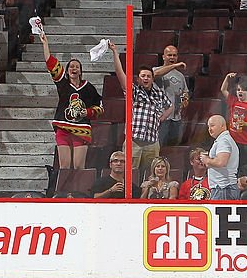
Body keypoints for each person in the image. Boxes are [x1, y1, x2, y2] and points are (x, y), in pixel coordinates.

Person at [40, 31, 103, 171]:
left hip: (81, 129)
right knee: (65, 167)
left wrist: (86, 112)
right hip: (63, 128)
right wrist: (45, 44)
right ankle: (63, 193)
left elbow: (100, 107)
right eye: (71, 66)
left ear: (80, 71)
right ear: (67, 71)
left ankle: (78, 192)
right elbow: (51, 64)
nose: (74, 68)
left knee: (79, 166)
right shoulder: (63, 83)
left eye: (77, 67)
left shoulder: (88, 87)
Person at [110, 41, 172, 181]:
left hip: (152, 142)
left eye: (148, 76)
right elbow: (120, 75)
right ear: (138, 79)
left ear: (152, 79)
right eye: (143, 76)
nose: (146, 78)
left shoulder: (159, 93)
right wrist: (115, 53)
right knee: (129, 175)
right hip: (134, 142)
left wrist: (162, 117)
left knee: (154, 175)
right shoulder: (135, 92)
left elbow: (170, 106)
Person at [152, 45, 189, 148]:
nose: (172, 58)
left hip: (176, 118)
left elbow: (185, 93)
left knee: (173, 147)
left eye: (174, 55)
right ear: (163, 57)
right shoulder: (155, 70)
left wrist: (185, 100)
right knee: (159, 146)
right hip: (161, 117)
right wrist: (175, 66)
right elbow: (155, 74)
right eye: (169, 55)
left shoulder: (180, 76)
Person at [202, 114, 239, 200]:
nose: (210, 129)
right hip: (223, 188)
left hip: (223, 188)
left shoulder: (223, 141)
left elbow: (221, 162)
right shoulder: (223, 140)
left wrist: (206, 160)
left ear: (222, 126)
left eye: (212, 125)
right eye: (208, 127)